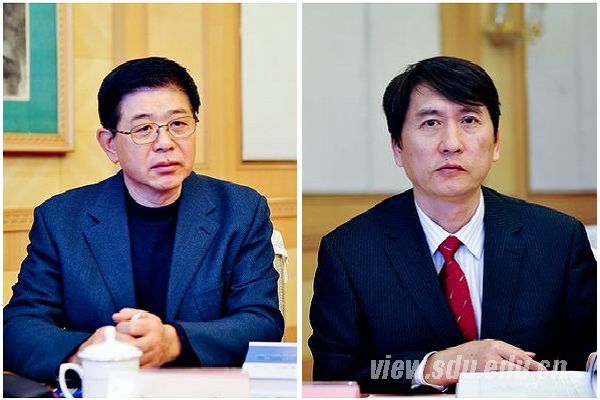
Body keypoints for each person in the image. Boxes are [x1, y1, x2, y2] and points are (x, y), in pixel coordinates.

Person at [309, 56, 596, 394]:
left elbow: (584, 359)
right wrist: (434, 366)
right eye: (430, 123)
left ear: (496, 142)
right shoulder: (350, 251)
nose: (451, 143)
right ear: (397, 148)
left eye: (469, 120)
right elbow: (335, 374)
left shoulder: (558, 239)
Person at [4, 57, 284, 383]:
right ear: (110, 144)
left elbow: (261, 321)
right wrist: (83, 352)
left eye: (178, 124)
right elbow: (19, 325)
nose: (165, 143)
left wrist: (173, 341)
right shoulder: (61, 219)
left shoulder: (240, 210)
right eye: (144, 129)